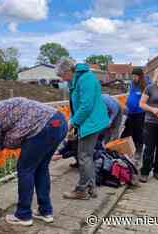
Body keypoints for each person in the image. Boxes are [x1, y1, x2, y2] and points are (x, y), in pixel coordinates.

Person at [0, 97, 68, 226]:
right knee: (41, 168)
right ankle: (45, 211)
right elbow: (12, 138)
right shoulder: (9, 104)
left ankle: (23, 215)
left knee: (25, 170)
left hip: (42, 128)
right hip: (59, 122)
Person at [55, 58, 110, 200]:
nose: (61, 79)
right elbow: (77, 105)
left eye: (61, 75)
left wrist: (73, 122)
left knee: (84, 156)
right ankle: (92, 188)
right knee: (87, 156)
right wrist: (73, 120)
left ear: (68, 71)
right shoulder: (78, 79)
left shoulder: (85, 79)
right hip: (89, 122)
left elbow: (86, 106)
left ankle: (82, 190)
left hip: (91, 123)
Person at [121, 68, 150, 165]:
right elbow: (130, 95)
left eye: (135, 76)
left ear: (140, 76)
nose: (133, 78)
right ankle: (126, 149)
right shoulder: (132, 83)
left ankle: (139, 150)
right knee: (127, 131)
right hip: (130, 112)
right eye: (132, 76)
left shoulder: (146, 85)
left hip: (140, 113)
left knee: (138, 132)